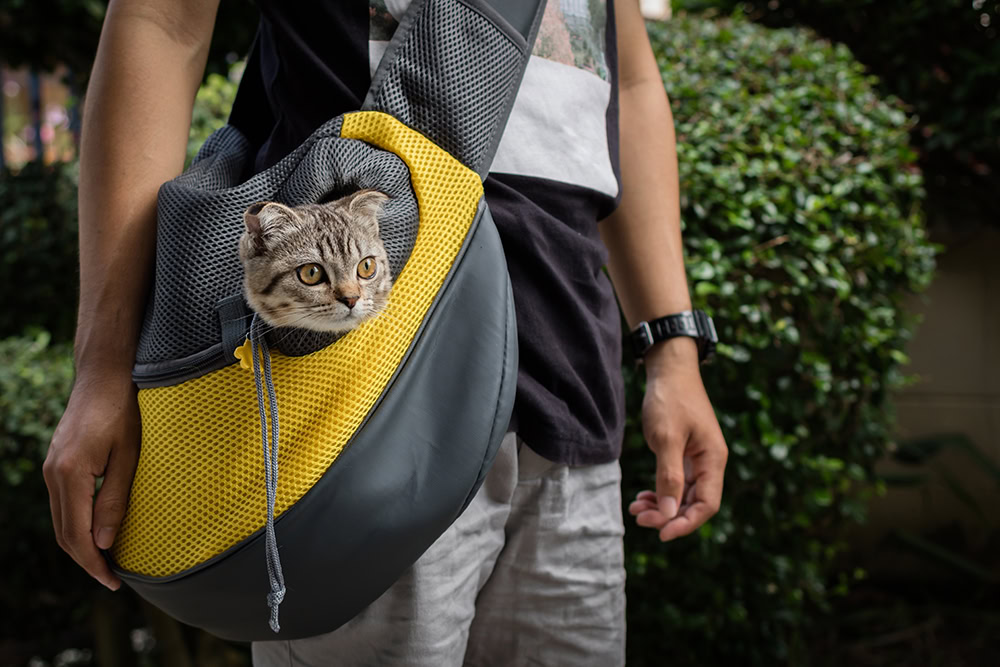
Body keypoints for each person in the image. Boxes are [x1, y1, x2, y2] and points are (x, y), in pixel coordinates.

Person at [43, 0, 728, 664]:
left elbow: (628, 83)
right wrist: (105, 365)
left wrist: (672, 348)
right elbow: (160, 23)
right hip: (354, 404)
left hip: (576, 384)